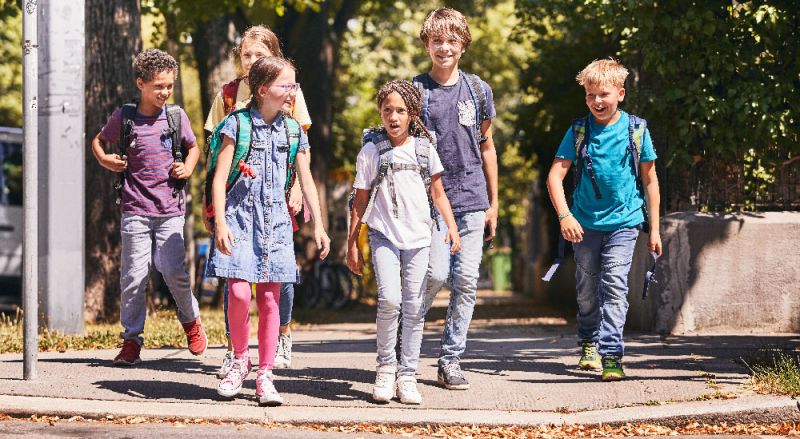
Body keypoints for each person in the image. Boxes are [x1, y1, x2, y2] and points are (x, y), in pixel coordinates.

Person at [206, 56, 330, 405]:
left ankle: (265, 373)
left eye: (295, 84)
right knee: (241, 293)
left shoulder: (293, 131)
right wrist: (220, 223)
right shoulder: (237, 125)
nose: (293, 91)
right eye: (286, 85)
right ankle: (239, 360)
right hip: (240, 222)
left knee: (271, 299)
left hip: (276, 224)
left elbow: (306, 179)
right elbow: (219, 178)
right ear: (263, 90)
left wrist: (318, 225)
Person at [545, 58, 662, 381]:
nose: (597, 101)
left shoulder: (636, 129)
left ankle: (612, 355)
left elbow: (650, 181)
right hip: (583, 226)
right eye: (591, 95)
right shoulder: (579, 131)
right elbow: (555, 177)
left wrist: (654, 229)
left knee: (614, 286)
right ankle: (588, 341)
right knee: (585, 291)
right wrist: (565, 216)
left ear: (620, 94)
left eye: (604, 94)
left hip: (625, 224)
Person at [90, 48, 206, 366]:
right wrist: (104, 158)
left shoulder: (175, 117)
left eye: (169, 86)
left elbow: (194, 147)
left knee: (172, 271)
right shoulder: (125, 118)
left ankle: (191, 321)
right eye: (158, 86)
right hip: (135, 209)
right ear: (140, 83)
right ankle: (131, 340)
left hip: (169, 209)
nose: (164, 92)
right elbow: (98, 141)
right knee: (134, 277)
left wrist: (189, 167)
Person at [347, 80, 460, 404]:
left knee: (413, 307)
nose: (393, 117)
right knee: (390, 300)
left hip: (420, 237)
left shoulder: (425, 150)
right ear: (380, 114)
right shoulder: (372, 151)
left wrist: (450, 227)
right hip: (384, 234)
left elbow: (438, 193)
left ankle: (407, 375)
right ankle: (385, 369)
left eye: (400, 111)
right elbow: (360, 200)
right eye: (387, 111)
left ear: (411, 113)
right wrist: (352, 243)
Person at [414, 8, 498, 390]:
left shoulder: (478, 91)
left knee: (465, 280)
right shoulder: (415, 92)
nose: (443, 47)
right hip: (430, 201)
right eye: (436, 40)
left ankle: (450, 359)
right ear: (426, 43)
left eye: (451, 40)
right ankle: (407, 344)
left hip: (472, 200)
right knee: (434, 274)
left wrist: (493, 203)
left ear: (463, 45)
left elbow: (487, 147)